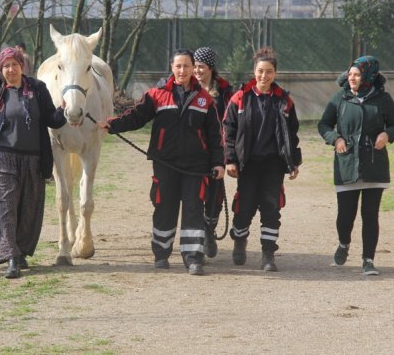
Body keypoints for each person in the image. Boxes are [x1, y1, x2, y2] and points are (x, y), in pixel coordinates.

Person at [99, 49, 225, 276]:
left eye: (187, 66)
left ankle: (193, 257)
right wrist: (114, 124)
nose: (183, 71)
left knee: (193, 210)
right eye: (178, 66)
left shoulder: (205, 100)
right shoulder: (156, 95)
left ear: (192, 68)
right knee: (164, 207)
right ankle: (161, 253)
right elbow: (136, 116)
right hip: (165, 164)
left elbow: (215, 136)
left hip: (196, 168)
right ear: (172, 68)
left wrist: (219, 163)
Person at [0, 47, 67, 279]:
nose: (11, 69)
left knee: (28, 207)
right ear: (1, 69)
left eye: (14, 64)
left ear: (22, 66)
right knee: (6, 207)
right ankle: (11, 257)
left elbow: (50, 119)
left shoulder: (37, 89)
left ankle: (21, 249)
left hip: (33, 158)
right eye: (6, 65)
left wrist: (65, 110)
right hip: (1, 158)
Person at [318, 56, 394, 276]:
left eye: (357, 74)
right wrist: (335, 139)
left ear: (368, 76)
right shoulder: (340, 98)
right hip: (347, 163)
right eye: (350, 73)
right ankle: (344, 243)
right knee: (346, 215)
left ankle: (368, 260)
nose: (352, 78)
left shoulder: (383, 99)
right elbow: (324, 124)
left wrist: (387, 134)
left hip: (374, 163)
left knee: (370, 214)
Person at [222, 46, 301, 271]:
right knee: (244, 207)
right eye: (260, 71)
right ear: (254, 71)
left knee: (271, 208)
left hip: (273, 165)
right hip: (247, 164)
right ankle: (239, 239)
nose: (264, 76)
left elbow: (292, 134)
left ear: (275, 73)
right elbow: (228, 131)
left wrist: (294, 161)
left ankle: (268, 254)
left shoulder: (285, 101)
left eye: (268, 72)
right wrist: (230, 159)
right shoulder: (240, 98)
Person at [193, 46, 233, 259]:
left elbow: (232, 119)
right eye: (195, 67)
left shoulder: (226, 91)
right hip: (193, 151)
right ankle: (199, 236)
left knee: (215, 197)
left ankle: (210, 230)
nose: (197, 71)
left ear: (210, 68)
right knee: (194, 195)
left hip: (217, 151)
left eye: (201, 67)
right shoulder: (187, 88)